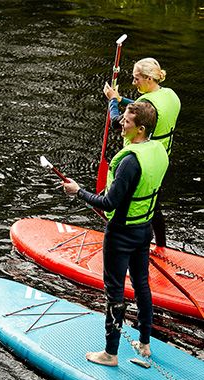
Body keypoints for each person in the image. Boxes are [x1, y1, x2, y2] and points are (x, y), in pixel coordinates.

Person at [63, 101, 169, 366]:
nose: (122, 123)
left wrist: (79, 192)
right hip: (143, 230)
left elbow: (109, 203)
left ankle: (110, 353)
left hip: (121, 234)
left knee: (115, 291)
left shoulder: (130, 162)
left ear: (140, 129)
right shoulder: (157, 151)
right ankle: (145, 343)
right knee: (142, 284)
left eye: (128, 121)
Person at [103, 57, 180, 248]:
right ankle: (161, 245)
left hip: (141, 160)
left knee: (124, 204)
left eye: (136, 78)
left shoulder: (148, 104)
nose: (133, 82)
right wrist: (123, 100)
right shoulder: (170, 95)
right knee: (154, 202)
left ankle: (121, 244)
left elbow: (116, 122)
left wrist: (113, 101)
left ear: (148, 78)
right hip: (160, 158)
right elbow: (148, 107)